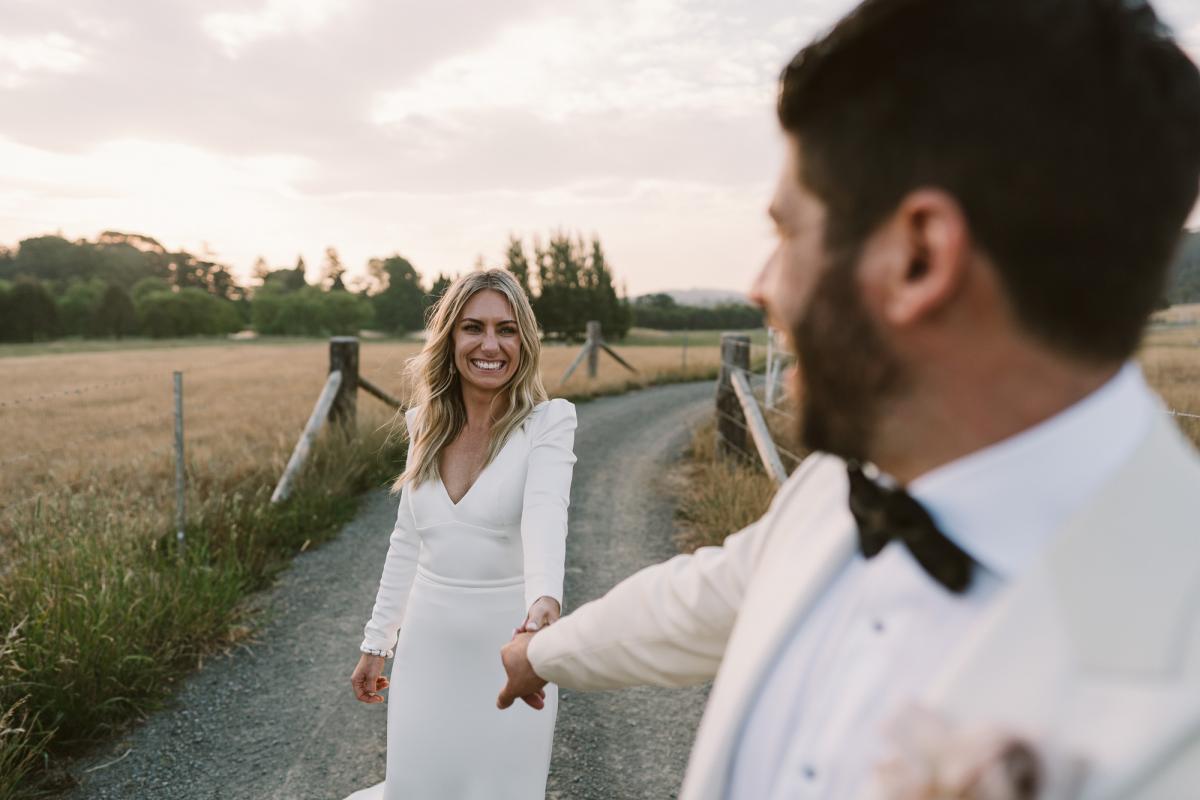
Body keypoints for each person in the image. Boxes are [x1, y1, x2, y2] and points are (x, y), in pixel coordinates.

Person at [496, 0, 1200, 798]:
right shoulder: (845, 486)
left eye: (789, 234)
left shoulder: (1177, 697)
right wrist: (538, 652)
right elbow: (702, 601)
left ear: (919, 257)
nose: (762, 287)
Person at [345, 269, 576, 800]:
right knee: (417, 788)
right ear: (450, 338)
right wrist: (377, 643)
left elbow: (547, 517)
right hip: (427, 651)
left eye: (507, 329)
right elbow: (407, 541)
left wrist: (543, 608)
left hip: (510, 651)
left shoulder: (548, 424)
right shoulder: (424, 422)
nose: (490, 345)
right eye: (473, 327)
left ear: (526, 341)